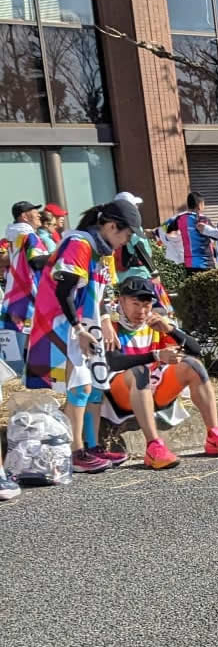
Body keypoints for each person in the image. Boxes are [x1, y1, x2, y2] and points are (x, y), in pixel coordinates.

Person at [24, 198, 140, 474]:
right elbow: (62, 292)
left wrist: (105, 321)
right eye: (127, 233)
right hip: (63, 325)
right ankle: (75, 451)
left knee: (93, 385)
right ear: (112, 226)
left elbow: (100, 293)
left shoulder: (103, 250)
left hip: (86, 325)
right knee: (80, 386)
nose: (127, 240)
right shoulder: (80, 243)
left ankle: (89, 445)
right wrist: (78, 329)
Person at [102, 276, 218, 470]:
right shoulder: (110, 326)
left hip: (153, 391)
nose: (141, 311)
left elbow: (196, 350)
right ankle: (153, 446)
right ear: (121, 301)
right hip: (119, 397)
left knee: (193, 365)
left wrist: (171, 330)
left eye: (146, 305)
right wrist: (156, 355)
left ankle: (214, 435)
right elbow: (115, 362)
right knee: (139, 371)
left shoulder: (156, 324)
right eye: (135, 304)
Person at [3, 200, 56, 377]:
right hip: (29, 295)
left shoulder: (14, 236)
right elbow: (36, 261)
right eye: (34, 211)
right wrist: (59, 254)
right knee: (32, 343)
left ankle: (20, 379)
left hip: (15, 295)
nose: (39, 214)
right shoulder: (29, 236)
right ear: (24, 216)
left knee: (19, 346)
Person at [166, 192, 215, 274]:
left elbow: (167, 229)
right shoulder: (204, 219)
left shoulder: (180, 219)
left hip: (189, 263)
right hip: (206, 263)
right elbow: (215, 236)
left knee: (193, 286)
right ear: (200, 205)